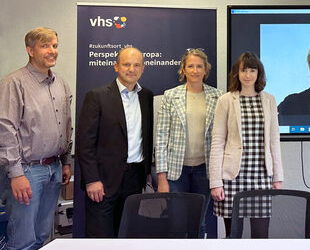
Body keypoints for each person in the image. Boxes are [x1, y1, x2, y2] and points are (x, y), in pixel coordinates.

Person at [0, 27, 72, 250]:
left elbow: (67, 125)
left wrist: (66, 161)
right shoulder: (14, 83)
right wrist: (16, 174)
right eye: (45, 46)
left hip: (54, 169)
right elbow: (5, 128)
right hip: (27, 172)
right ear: (30, 50)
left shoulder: (60, 83)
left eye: (55, 46)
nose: (52, 51)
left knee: (43, 236)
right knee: (22, 239)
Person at [76, 47, 153, 237]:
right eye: (126, 64)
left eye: (137, 65)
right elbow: (85, 144)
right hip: (103, 182)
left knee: (128, 236)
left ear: (143, 69)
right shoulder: (97, 96)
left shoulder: (147, 97)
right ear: (116, 66)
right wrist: (92, 179)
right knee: (100, 239)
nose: (131, 69)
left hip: (135, 179)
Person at [209, 52, 283, 238]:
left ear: (259, 73)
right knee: (233, 237)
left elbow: (274, 141)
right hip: (232, 177)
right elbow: (217, 142)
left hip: (261, 176)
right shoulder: (226, 100)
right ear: (237, 73)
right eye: (244, 70)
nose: (248, 75)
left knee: (261, 236)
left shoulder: (269, 100)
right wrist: (215, 182)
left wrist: (278, 177)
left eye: (252, 70)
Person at [155, 48, 223, 237]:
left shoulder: (218, 96)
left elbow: (221, 137)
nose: (195, 70)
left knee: (199, 222)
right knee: (176, 223)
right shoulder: (170, 96)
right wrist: (161, 177)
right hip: (176, 172)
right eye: (190, 66)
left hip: (204, 170)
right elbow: (161, 137)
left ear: (205, 70)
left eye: (199, 66)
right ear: (183, 70)